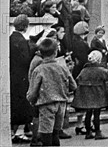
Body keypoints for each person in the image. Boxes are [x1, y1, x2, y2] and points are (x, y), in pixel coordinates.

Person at [26, 39, 77, 147]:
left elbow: (33, 91)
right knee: (56, 132)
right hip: (61, 104)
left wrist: (31, 100)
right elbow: (73, 86)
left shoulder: (39, 70)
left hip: (46, 103)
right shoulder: (63, 68)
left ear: (41, 53)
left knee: (46, 133)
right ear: (56, 52)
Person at [71, 51, 108, 140]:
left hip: (87, 94)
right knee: (97, 113)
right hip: (98, 93)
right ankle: (98, 132)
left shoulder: (84, 70)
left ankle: (88, 132)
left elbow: (78, 79)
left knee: (88, 113)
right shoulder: (101, 70)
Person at [10, 15, 34, 144]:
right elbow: (26, 60)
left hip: (13, 75)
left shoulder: (10, 39)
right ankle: (18, 132)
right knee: (22, 104)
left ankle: (14, 131)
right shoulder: (22, 41)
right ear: (25, 26)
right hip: (22, 77)